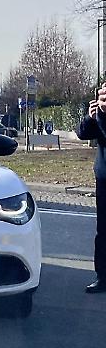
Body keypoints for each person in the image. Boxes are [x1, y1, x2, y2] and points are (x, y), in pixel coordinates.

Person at [77, 84, 106, 294]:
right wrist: (91, 116)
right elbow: (83, 133)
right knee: (103, 231)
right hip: (104, 176)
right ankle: (103, 277)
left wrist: (103, 115)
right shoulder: (102, 110)